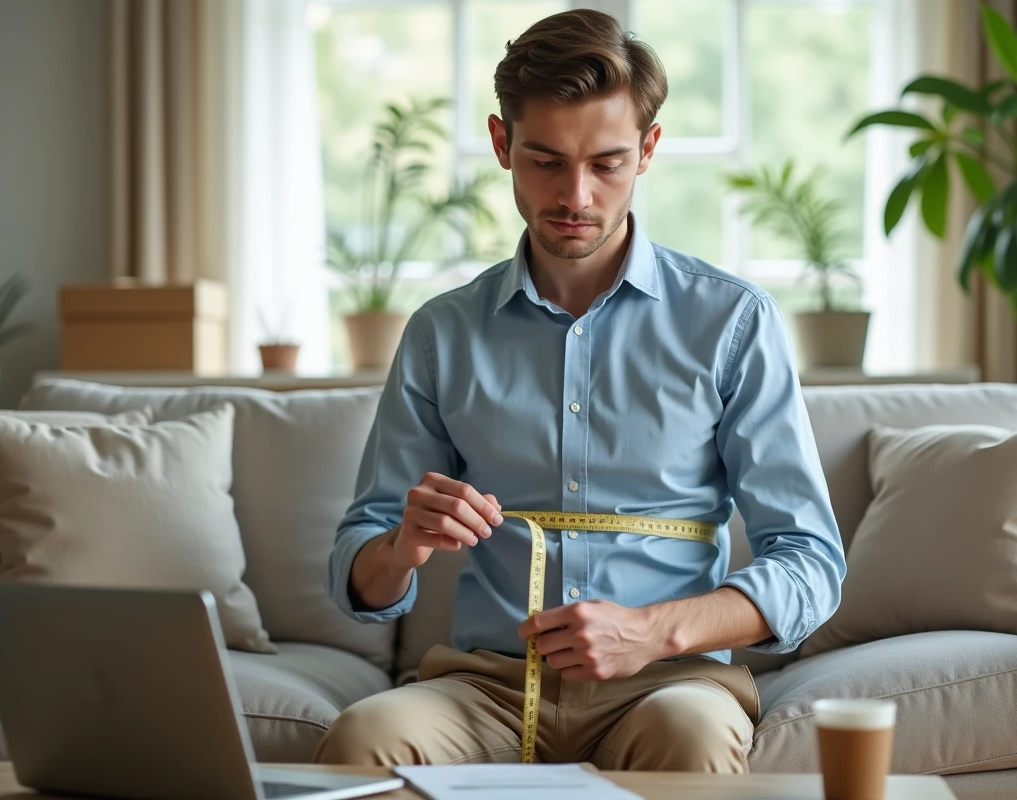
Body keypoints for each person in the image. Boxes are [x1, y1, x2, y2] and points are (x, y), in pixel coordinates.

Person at [314, 8, 845, 772]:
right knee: (363, 740)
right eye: (545, 160)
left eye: (607, 163)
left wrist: (654, 632)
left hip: (666, 682)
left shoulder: (732, 323)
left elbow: (809, 562)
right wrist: (401, 546)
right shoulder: (442, 333)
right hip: (488, 684)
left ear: (649, 151)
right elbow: (358, 572)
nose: (577, 195)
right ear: (502, 144)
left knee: (691, 741)